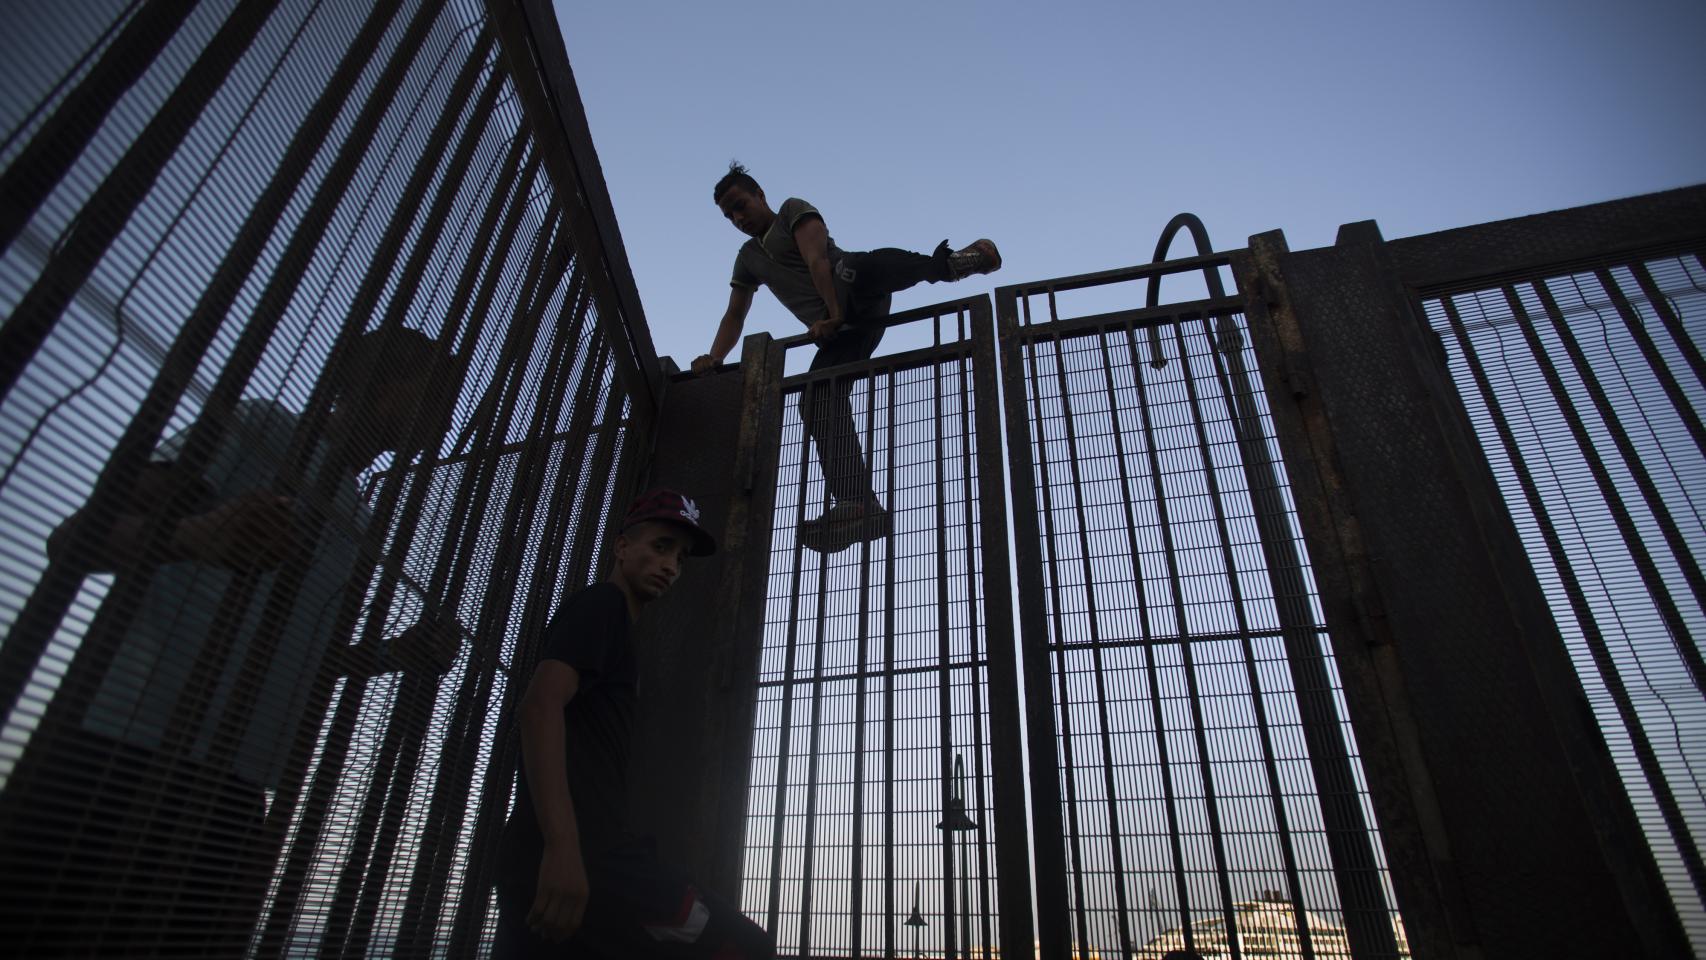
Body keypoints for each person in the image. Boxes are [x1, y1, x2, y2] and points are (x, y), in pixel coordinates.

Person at [0, 325, 463, 955]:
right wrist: (196, 537)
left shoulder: (354, 508)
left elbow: (298, 656)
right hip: (117, 757)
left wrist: (390, 655)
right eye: (432, 391)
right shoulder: (263, 429)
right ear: (373, 383)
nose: (445, 412)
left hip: (237, 790)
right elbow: (76, 536)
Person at [494, 489, 772, 959]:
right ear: (622, 547)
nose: (671, 565)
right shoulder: (602, 605)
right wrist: (563, 849)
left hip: (565, 857)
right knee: (746, 947)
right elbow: (540, 707)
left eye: (681, 558)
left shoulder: (616, 626)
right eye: (661, 546)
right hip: (591, 859)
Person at [690, 163, 1001, 553]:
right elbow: (734, 313)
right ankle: (858, 503)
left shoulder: (791, 211)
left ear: (760, 195)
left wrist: (833, 313)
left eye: (740, 205)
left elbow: (817, 260)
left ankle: (949, 265)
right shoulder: (749, 256)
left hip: (853, 295)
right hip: (841, 335)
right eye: (729, 215)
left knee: (858, 267)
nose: (737, 218)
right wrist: (713, 358)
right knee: (816, 397)